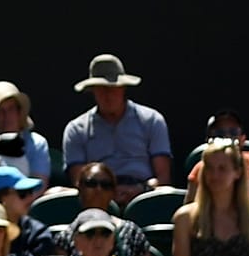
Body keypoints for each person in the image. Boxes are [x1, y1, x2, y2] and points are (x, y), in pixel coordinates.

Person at [60, 52, 172, 189]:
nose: (108, 95)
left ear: (123, 88)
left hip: (144, 192)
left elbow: (163, 178)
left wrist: (141, 189)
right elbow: (80, 182)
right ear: (92, 91)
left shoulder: (152, 120)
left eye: (113, 88)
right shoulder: (76, 129)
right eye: (101, 89)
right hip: (98, 194)